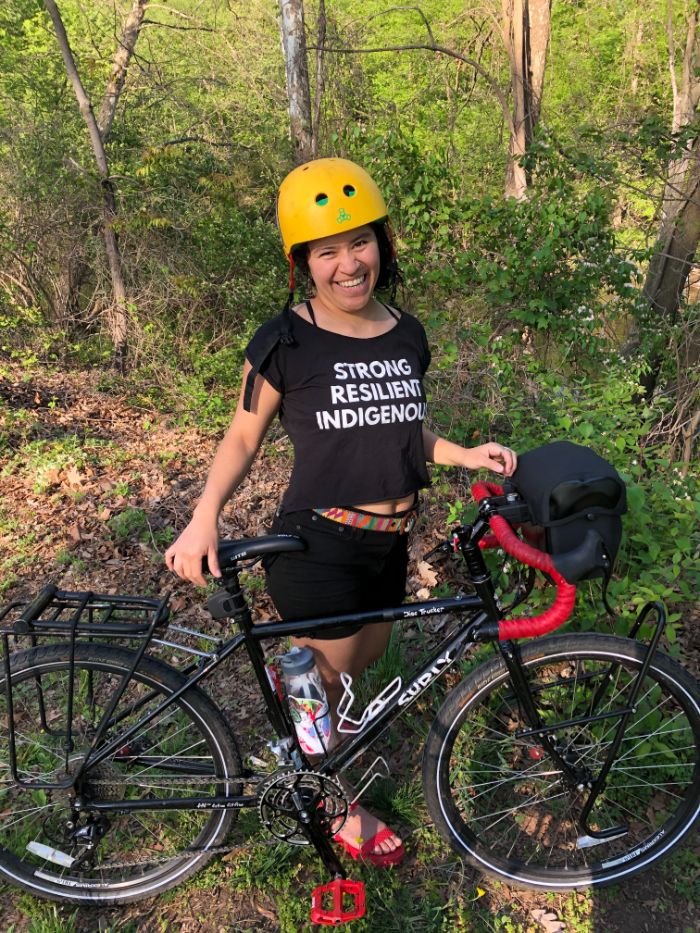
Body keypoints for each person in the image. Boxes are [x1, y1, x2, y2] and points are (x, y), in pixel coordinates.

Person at [165, 157, 517, 866]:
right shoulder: (284, 340)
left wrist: (465, 452)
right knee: (326, 687)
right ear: (303, 262)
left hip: (390, 543)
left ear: (382, 244)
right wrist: (205, 514)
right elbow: (241, 433)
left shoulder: (405, 332)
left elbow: (399, 429)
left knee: (367, 654)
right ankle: (325, 801)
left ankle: (299, 694)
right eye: (327, 250)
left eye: (359, 242)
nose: (348, 263)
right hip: (317, 544)